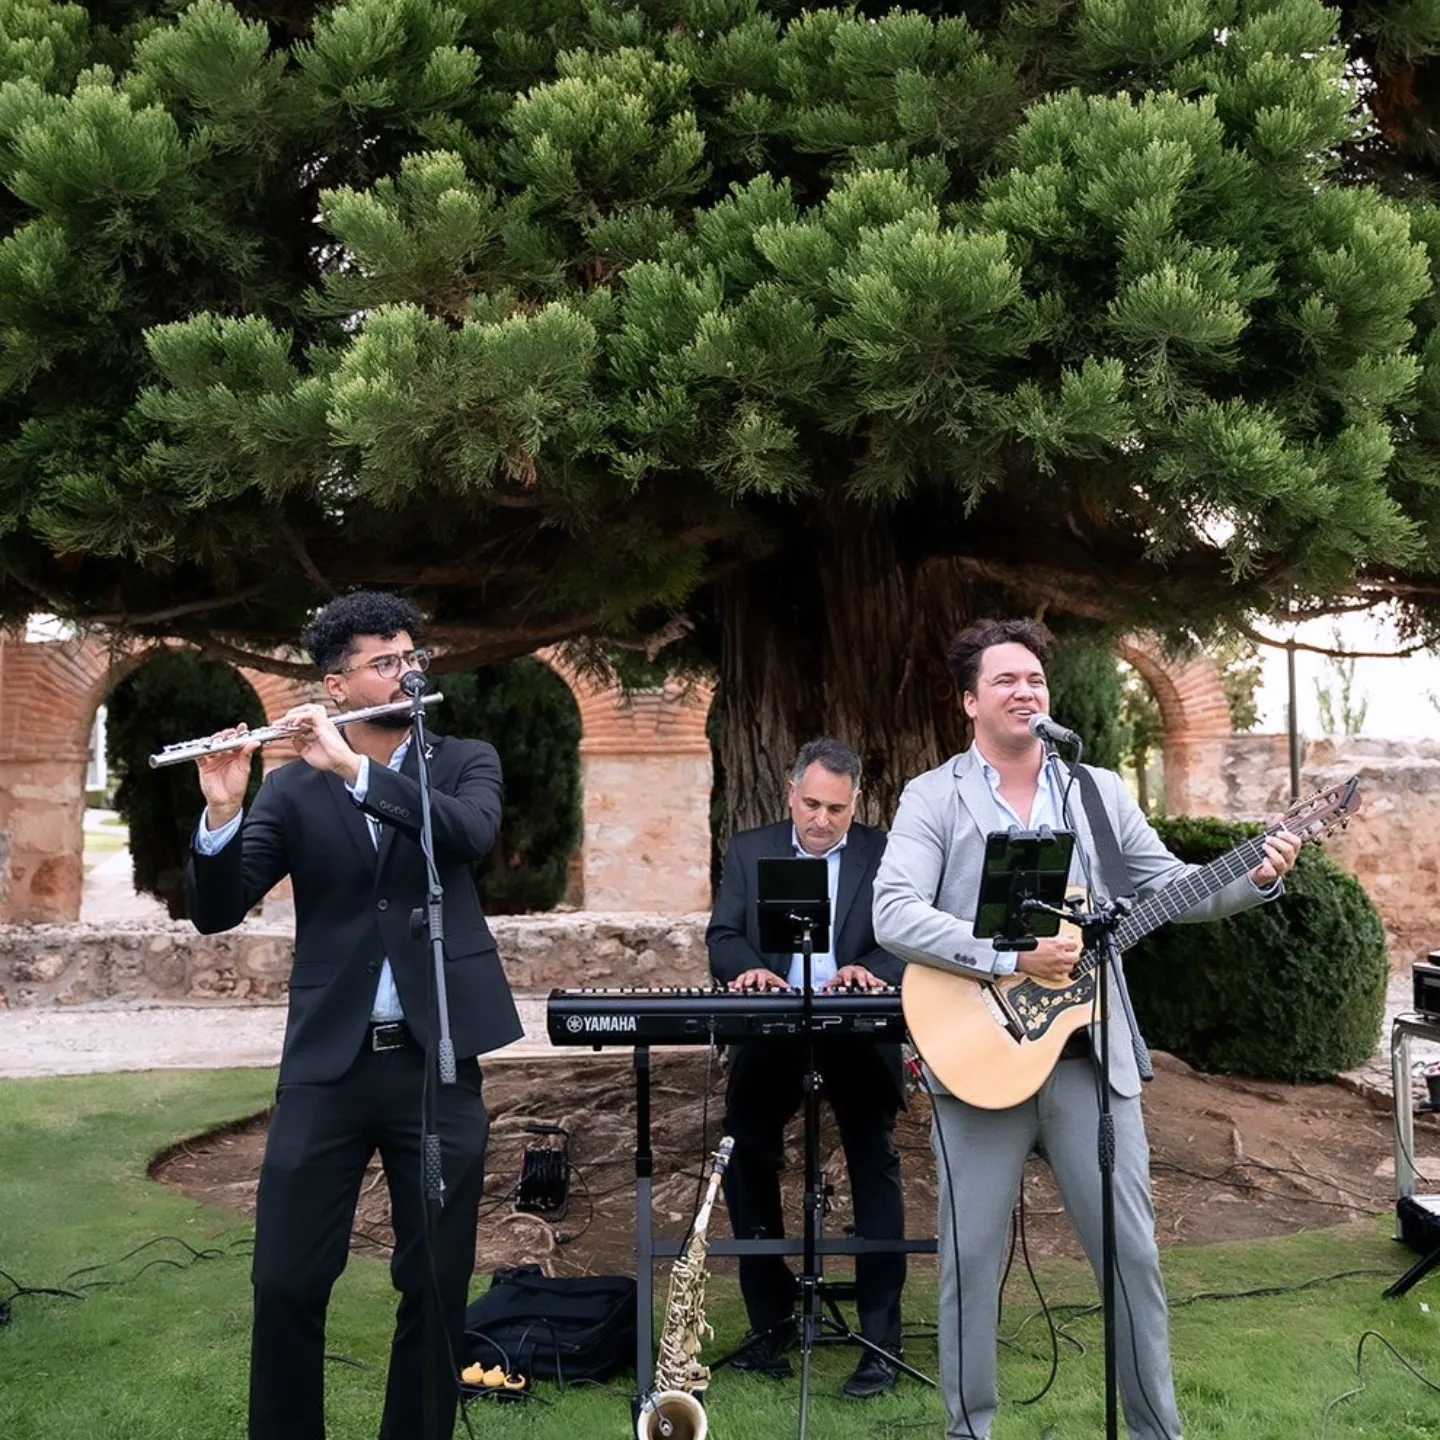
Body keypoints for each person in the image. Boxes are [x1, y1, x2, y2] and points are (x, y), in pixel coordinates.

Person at [872, 618, 1300, 1440]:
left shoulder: (1095, 790)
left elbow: (1172, 887)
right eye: (1005, 680)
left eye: (1034, 679)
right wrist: (1006, 956)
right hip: (978, 1058)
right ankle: (971, 1431)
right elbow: (893, 913)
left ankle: (1153, 1432)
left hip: (1088, 1064)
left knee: (1131, 1258)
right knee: (968, 1263)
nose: (1025, 690)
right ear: (969, 702)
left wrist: (1254, 873)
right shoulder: (934, 795)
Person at [186, 590, 522, 1440]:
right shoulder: (291, 788)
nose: (407, 671)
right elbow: (219, 908)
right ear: (335, 688)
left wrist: (355, 771)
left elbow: (468, 835)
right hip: (327, 1065)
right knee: (286, 1278)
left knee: (436, 1281)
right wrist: (224, 808)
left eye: (411, 657)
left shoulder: (462, 759)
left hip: (434, 1057)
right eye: (384, 661)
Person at [707, 737, 907, 1400]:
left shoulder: (884, 853)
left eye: (838, 809)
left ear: (857, 806)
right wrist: (751, 970)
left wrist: (868, 972)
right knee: (745, 1152)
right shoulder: (750, 849)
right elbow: (724, 935)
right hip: (772, 1026)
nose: (822, 820)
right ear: (790, 792)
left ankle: (880, 1341)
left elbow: (907, 936)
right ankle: (772, 1323)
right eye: (812, 804)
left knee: (872, 1158)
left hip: (857, 1028)